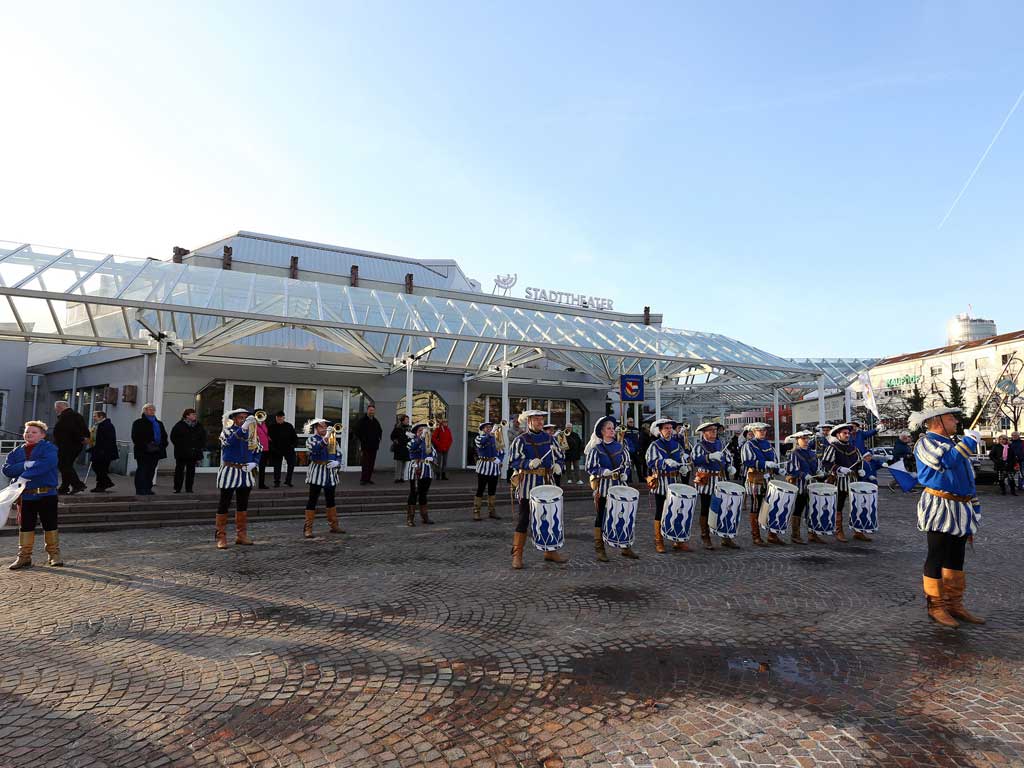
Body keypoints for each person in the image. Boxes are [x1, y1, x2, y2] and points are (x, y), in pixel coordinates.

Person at [911, 407, 985, 628]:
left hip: (961, 507)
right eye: (951, 418)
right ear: (937, 422)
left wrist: (974, 508)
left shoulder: (954, 444)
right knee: (937, 555)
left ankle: (954, 604)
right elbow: (945, 462)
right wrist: (969, 441)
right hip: (938, 506)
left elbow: (967, 480)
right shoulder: (925, 442)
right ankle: (935, 606)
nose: (955, 421)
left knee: (956, 557)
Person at [508, 409, 566, 568]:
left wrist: (558, 466)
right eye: (537, 419)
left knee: (550, 518)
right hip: (528, 484)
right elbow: (513, 461)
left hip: (547, 483)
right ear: (529, 422)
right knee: (524, 520)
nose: (540, 422)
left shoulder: (550, 439)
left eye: (541, 419)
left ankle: (550, 551)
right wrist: (527, 464)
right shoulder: (521, 440)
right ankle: (517, 554)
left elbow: (560, 456)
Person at [4, 421, 62, 569]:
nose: (29, 434)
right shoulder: (16, 452)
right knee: (25, 526)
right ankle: (24, 557)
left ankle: (54, 554)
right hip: (26, 496)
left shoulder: (49, 448)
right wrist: (24, 465)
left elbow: (47, 464)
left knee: (50, 524)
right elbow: (7, 470)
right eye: (27, 431)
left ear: (42, 435)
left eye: (34, 432)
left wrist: (25, 474)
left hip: (47, 493)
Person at [587, 416, 637, 561]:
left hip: (620, 487)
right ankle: (600, 548)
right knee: (601, 517)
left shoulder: (621, 447)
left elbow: (627, 463)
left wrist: (625, 474)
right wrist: (603, 471)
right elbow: (591, 467)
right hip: (603, 488)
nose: (612, 430)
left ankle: (625, 546)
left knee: (623, 515)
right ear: (602, 431)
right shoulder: (596, 449)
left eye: (612, 428)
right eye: (608, 428)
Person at [215, 408, 260, 549]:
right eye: (241, 418)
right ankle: (221, 536)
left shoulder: (252, 433)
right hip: (229, 469)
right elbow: (229, 443)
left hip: (245, 471)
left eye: (246, 418)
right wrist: (244, 427)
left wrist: (254, 462)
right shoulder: (227, 431)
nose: (244, 420)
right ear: (235, 419)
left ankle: (241, 535)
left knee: (243, 504)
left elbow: (258, 449)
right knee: (224, 503)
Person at [645, 418, 691, 553]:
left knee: (677, 511)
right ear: (660, 431)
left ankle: (677, 540)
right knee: (660, 511)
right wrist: (664, 462)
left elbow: (683, 456)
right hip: (661, 482)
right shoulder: (655, 445)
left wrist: (683, 466)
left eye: (670, 428)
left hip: (674, 482)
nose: (669, 430)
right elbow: (650, 461)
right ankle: (659, 540)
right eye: (666, 428)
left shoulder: (677, 444)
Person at [692, 421, 737, 550]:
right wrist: (709, 457)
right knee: (705, 508)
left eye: (715, 430)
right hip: (706, 480)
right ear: (704, 433)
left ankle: (725, 537)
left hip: (719, 479)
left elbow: (727, 457)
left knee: (724, 507)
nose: (714, 432)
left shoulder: (720, 444)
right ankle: (705, 536)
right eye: (710, 430)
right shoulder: (700, 446)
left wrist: (729, 467)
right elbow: (695, 460)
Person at [821, 423, 864, 543]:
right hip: (839, 481)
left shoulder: (853, 448)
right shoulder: (833, 447)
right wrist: (838, 468)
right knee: (839, 506)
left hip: (853, 481)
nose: (847, 435)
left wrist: (860, 470)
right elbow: (826, 463)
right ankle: (838, 530)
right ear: (838, 435)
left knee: (857, 506)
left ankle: (858, 530)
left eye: (848, 433)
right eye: (844, 433)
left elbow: (859, 461)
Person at [740, 422, 779, 546]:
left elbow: (775, 460)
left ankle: (772, 535)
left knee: (771, 506)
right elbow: (747, 461)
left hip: (769, 480)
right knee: (756, 506)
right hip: (755, 479)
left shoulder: (768, 444)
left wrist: (778, 468)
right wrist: (764, 464)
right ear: (754, 431)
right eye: (759, 430)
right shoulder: (749, 444)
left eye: (763, 430)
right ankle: (756, 536)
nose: (762, 432)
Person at [303, 419, 343, 537]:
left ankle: (334, 525)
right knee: (312, 500)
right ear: (316, 428)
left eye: (325, 426)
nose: (324, 428)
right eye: (321, 427)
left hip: (330, 473)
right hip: (316, 472)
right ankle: (308, 528)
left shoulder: (333, 439)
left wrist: (337, 462)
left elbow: (339, 454)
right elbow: (313, 451)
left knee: (331, 500)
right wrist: (325, 438)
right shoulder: (311, 439)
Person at [783, 430, 818, 544]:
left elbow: (816, 467)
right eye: (803, 439)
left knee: (813, 509)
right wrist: (803, 474)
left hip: (813, 486)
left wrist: (819, 472)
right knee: (798, 509)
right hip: (800, 486)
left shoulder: (812, 453)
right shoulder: (794, 453)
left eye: (807, 438)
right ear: (797, 440)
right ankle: (795, 535)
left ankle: (812, 534)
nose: (806, 441)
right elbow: (791, 469)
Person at [131, 403, 168, 496]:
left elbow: (164, 436)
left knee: (151, 470)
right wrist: (146, 445)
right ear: (145, 411)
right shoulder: (138, 422)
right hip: (143, 451)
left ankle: (148, 488)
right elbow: (136, 437)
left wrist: (162, 445)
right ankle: (140, 489)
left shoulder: (159, 423)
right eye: (150, 409)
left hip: (156, 451)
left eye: (153, 409)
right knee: (142, 470)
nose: (152, 411)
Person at [404, 422, 437, 526]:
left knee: (423, 493)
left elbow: (433, 452)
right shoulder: (412, 441)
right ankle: (410, 518)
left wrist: (431, 457)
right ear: (416, 433)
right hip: (415, 468)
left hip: (426, 469)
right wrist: (420, 438)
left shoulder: (427, 442)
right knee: (413, 493)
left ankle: (424, 516)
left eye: (424, 430)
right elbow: (412, 448)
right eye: (420, 430)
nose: (422, 432)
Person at [53, 400, 89, 495]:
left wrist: (80, 438)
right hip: (74, 445)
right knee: (67, 465)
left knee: (64, 465)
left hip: (67, 445)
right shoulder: (76, 415)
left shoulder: (67, 416)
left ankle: (77, 484)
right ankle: (64, 487)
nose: (55, 409)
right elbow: (84, 429)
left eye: (56, 407)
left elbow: (72, 430)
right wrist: (83, 438)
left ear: (60, 407)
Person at [170, 408, 205, 494]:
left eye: (195, 414)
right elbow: (173, 438)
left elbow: (203, 438)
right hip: (182, 453)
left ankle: (189, 488)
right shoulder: (179, 425)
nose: (195, 416)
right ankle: (177, 488)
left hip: (193, 453)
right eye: (192, 414)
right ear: (187, 416)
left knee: (191, 471)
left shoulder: (198, 425)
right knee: (179, 470)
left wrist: (198, 447)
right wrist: (182, 447)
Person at [472, 421, 502, 521]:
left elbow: (501, 450)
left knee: (492, 490)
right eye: (486, 427)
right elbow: (481, 443)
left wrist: (499, 459)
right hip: (483, 467)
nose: (489, 428)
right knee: (480, 489)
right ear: (482, 429)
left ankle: (492, 511)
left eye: (490, 427)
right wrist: (491, 434)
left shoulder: (495, 438)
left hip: (494, 467)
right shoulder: (479, 437)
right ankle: (477, 511)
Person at [88, 410, 118, 493]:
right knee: (99, 468)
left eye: (95, 416)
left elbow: (107, 439)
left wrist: (102, 450)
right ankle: (102, 485)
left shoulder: (106, 425)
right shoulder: (98, 425)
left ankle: (104, 484)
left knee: (100, 468)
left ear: (101, 417)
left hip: (104, 452)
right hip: (99, 450)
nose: (94, 417)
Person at [353, 405, 383, 485]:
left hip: (374, 446)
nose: (371, 412)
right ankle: (363, 479)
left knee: (371, 463)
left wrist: (379, 438)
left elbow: (380, 431)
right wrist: (362, 439)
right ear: (367, 411)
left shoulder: (375, 421)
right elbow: (356, 430)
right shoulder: (362, 420)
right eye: (370, 410)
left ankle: (368, 479)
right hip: (366, 445)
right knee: (365, 463)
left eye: (373, 410)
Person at [267, 411, 298, 487]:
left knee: (291, 464)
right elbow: (268, 439)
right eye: (278, 418)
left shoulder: (289, 426)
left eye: (281, 418)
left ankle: (288, 481)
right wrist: (272, 448)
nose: (279, 419)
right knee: (277, 466)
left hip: (288, 449)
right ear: (276, 418)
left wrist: (293, 446)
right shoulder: (271, 426)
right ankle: (276, 482)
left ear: (284, 418)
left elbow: (295, 437)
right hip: (276, 450)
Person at [390, 414, 411, 483]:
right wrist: (396, 441)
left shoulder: (409, 428)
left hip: (406, 448)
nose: (408, 421)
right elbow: (392, 436)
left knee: (404, 463)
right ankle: (397, 478)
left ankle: (402, 477)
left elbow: (410, 437)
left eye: (408, 420)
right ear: (402, 421)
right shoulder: (397, 428)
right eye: (406, 420)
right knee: (399, 463)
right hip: (399, 448)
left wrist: (411, 438)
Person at [256, 416, 271, 489]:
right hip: (256, 449)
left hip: (265, 448)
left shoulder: (264, 424)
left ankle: (261, 484)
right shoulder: (253, 424)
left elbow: (266, 434)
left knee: (262, 467)